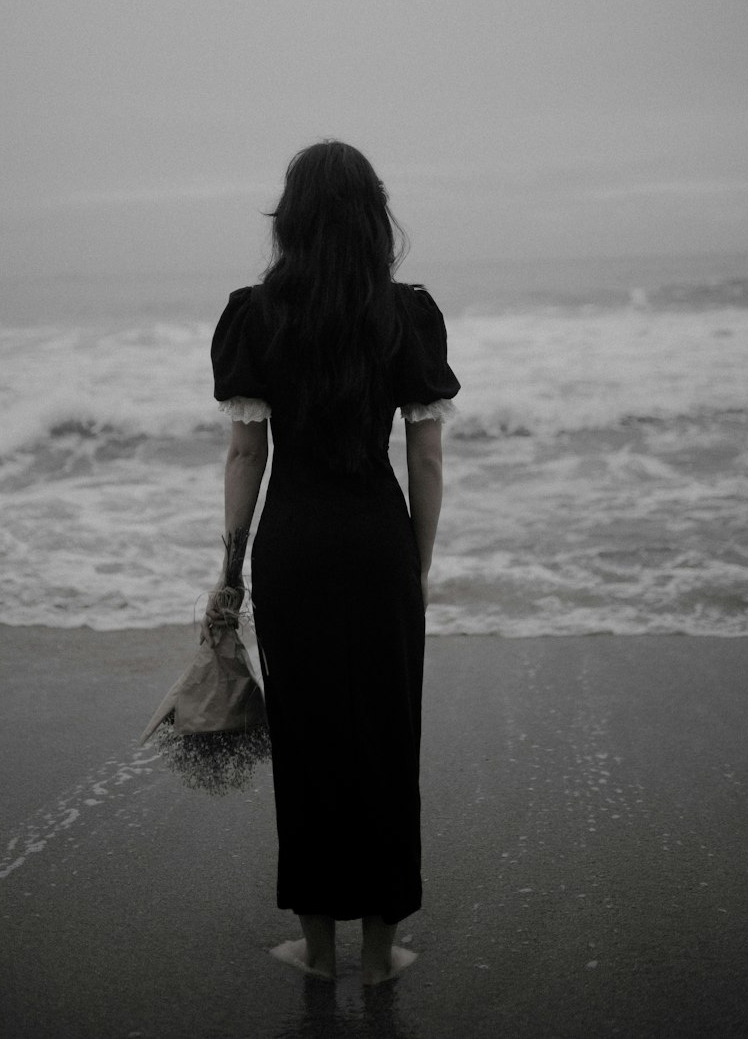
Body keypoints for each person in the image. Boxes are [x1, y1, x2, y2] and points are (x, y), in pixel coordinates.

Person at [209, 140, 460, 985]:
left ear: (294, 216)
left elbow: (247, 458)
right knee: (389, 741)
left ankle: (318, 953)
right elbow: (424, 462)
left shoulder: (255, 313)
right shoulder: (407, 315)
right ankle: (383, 954)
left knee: (310, 745)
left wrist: (231, 571)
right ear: (372, 215)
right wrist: (415, 567)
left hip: (295, 547)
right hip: (378, 543)